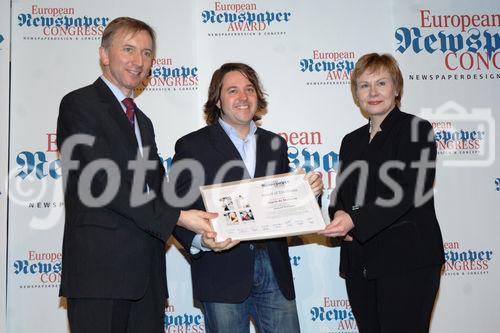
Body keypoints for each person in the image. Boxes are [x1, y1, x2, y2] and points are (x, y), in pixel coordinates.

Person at [56, 17, 215, 333]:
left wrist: (199, 236)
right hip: (100, 276)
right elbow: (102, 182)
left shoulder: (143, 122)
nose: (138, 61)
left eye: (146, 53)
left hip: (148, 280)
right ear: (104, 54)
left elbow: (159, 194)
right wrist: (181, 218)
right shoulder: (79, 105)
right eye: (128, 49)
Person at [171, 63, 323, 333]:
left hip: (274, 267)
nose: (243, 97)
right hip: (221, 270)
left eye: (249, 89)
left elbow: (282, 207)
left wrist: (308, 197)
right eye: (233, 90)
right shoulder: (192, 145)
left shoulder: (275, 144)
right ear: (218, 100)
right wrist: (200, 242)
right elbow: (175, 209)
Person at [319, 53, 445, 333]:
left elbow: (409, 189)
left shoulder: (416, 129)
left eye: (381, 83)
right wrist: (339, 212)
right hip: (360, 262)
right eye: (364, 85)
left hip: (408, 261)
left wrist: (355, 220)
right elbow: (343, 194)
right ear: (356, 94)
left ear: (396, 88)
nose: (373, 92)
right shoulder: (350, 141)